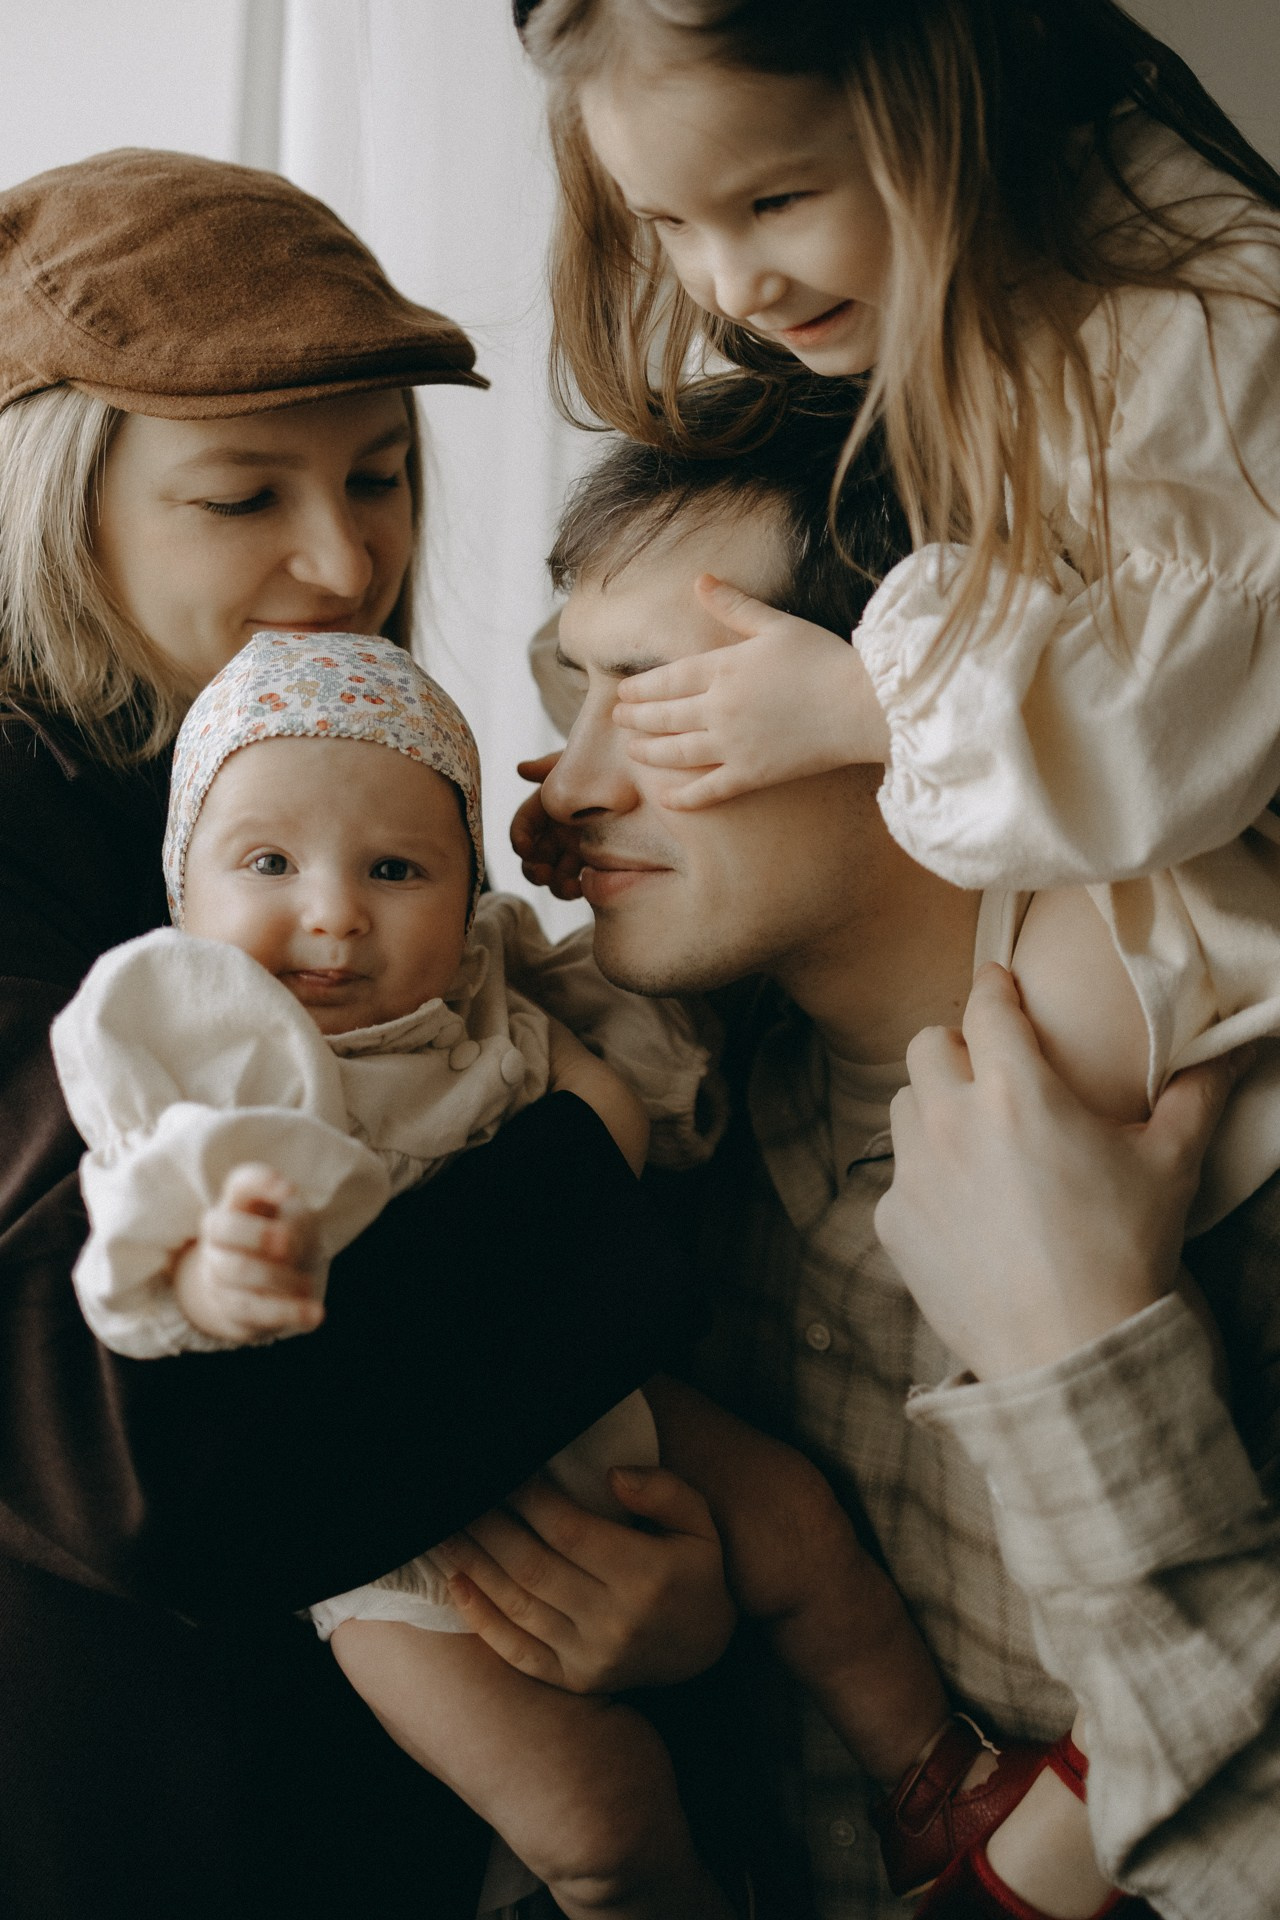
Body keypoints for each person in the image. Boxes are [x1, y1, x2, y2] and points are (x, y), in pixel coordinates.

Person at [0, 147, 727, 1920]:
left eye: (383, 475)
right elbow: (164, 1480)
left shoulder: (352, 805)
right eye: (244, 494)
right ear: (53, 499)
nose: (345, 557)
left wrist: (677, 1599)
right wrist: (588, 1156)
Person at [484, 378, 1280, 1919]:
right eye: (571, 700)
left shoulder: (1222, 1152)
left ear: (928, 703)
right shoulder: (657, 1121)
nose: (571, 792)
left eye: (656, 701)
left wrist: (1091, 1357)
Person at [53, 625, 968, 1920]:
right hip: (403, 1554)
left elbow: (649, 1025)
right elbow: (141, 1240)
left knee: (802, 1527)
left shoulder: (500, 980)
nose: (332, 909)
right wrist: (223, 1280)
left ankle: (937, 1786)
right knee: (597, 1820)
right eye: (267, 861)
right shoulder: (202, 1054)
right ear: (183, 891)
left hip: (590, 1401)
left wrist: (580, 869)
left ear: (466, 890)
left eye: (394, 867)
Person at [515, 0, 1280, 1226]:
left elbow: (1157, 738)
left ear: (939, 98)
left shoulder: (1190, 333)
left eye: (772, 202)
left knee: (1026, 1112)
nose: (729, 280)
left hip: (1184, 797)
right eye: (667, 220)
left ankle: (1041, 1346)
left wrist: (859, 698)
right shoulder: (941, 286)